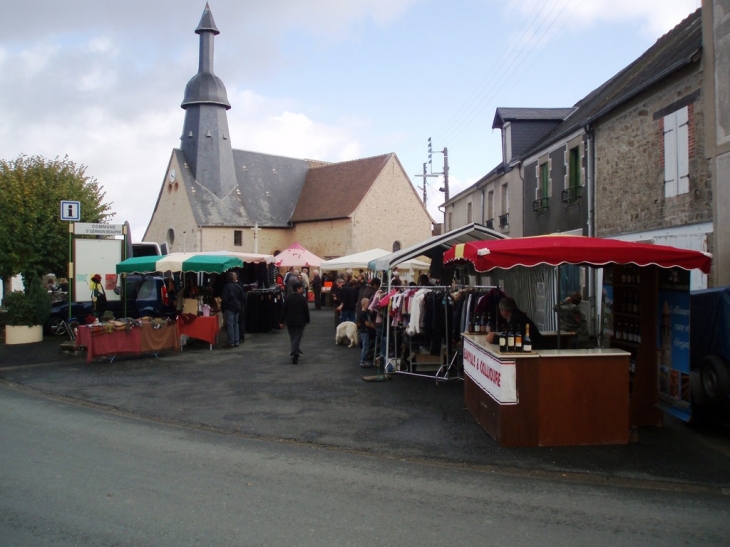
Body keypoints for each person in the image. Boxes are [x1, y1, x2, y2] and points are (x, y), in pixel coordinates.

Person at [280, 281, 310, 364]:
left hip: (290, 321)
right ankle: (295, 352)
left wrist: (281, 321)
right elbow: (305, 310)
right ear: (298, 289)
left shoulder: (288, 298)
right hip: (300, 321)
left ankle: (294, 351)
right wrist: (307, 319)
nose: (302, 290)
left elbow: (284, 310)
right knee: (298, 336)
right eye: (301, 288)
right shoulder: (302, 299)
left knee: (292, 337)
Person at [221, 271, 245, 348]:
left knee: (230, 325)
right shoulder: (238, 286)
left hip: (229, 308)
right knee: (236, 325)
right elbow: (243, 298)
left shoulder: (226, 287)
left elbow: (224, 299)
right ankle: (236, 341)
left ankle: (231, 342)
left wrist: (224, 307)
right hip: (237, 308)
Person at [358, 297, 376, 368]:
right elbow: (367, 323)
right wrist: (374, 327)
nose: (369, 305)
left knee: (367, 346)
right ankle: (363, 361)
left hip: (367, 331)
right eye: (368, 304)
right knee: (365, 346)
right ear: (364, 304)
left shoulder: (367, 312)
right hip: (364, 331)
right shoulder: (362, 314)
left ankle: (366, 360)